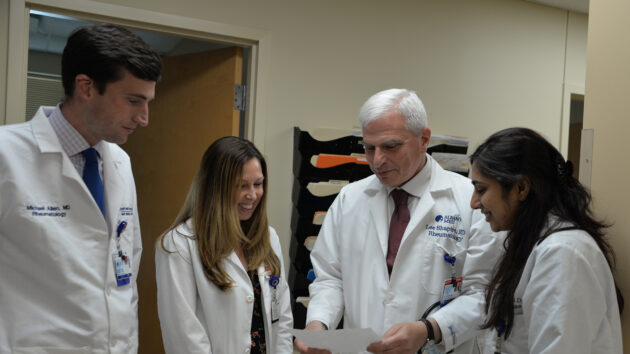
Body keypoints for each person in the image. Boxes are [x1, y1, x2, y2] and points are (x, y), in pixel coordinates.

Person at [296, 88, 504, 354]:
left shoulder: (470, 202)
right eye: (369, 148)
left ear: (424, 139)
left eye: (391, 147)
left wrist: (429, 329)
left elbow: (485, 294)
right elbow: (330, 278)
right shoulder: (350, 199)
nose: (377, 161)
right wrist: (318, 323)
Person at [0, 24, 161, 353]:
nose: (144, 119)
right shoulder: (6, 155)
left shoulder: (119, 162)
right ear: (86, 87)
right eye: (133, 101)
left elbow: (125, 273)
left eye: (147, 102)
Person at [468, 127, 623, 353]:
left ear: (521, 188)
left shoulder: (564, 254)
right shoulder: (532, 244)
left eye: (481, 189)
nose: (474, 202)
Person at [155, 136, 294, 353]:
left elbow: (282, 319)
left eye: (258, 184)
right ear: (215, 188)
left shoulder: (268, 238)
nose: (252, 195)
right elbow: (184, 336)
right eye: (241, 186)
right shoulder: (179, 244)